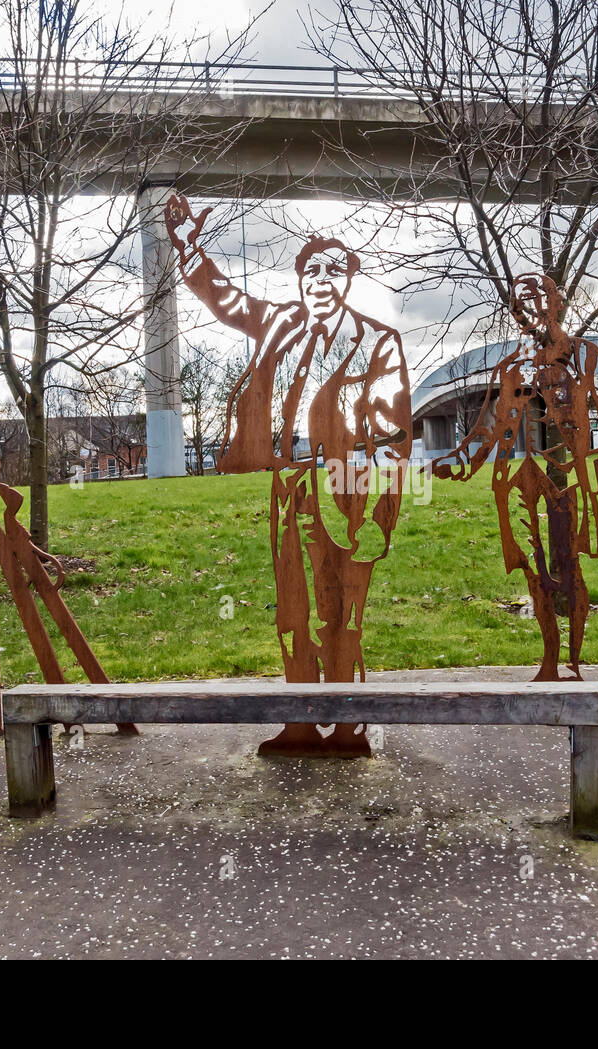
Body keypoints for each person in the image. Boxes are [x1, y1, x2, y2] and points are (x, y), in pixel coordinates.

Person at [165, 194, 412, 756]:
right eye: (310, 271)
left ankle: (347, 723)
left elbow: (396, 443)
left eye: (333, 271)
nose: (320, 281)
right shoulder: (281, 324)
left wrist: (380, 516)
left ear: (348, 281)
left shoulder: (378, 342)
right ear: (299, 279)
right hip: (290, 489)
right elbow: (226, 301)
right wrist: (189, 248)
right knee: (292, 608)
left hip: (346, 490)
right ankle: (302, 718)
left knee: (341, 610)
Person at [432, 274, 598, 681]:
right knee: (534, 569)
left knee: (570, 565)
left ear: (557, 303)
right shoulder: (512, 367)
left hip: (571, 477)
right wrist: (458, 462)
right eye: (520, 305)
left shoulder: (585, 355)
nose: (530, 311)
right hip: (519, 478)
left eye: (538, 300)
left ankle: (575, 664)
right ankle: (548, 660)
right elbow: (486, 428)